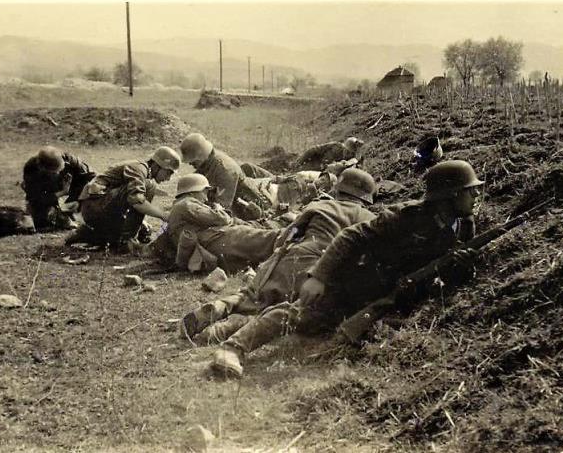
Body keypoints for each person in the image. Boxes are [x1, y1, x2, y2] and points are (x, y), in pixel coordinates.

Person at [210, 160, 485, 377]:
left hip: (393, 295)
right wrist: (319, 277)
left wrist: (460, 268)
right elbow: (351, 236)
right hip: (356, 280)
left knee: (330, 332)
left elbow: (444, 271)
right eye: (470, 190)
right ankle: (232, 348)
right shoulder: (407, 216)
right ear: (450, 195)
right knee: (300, 314)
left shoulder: (464, 226)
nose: (476, 195)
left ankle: (235, 325)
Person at [179, 168, 378, 343]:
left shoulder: (320, 206)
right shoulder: (370, 219)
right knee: (285, 312)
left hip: (295, 259)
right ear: (365, 197)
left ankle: (222, 305)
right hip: (324, 273)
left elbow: (285, 237)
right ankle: (224, 330)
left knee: (255, 297)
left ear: (339, 189)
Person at [162, 173, 282, 274]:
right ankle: (286, 238)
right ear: (194, 192)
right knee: (255, 236)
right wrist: (219, 209)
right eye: (204, 192)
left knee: (255, 238)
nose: (205, 198)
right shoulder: (186, 204)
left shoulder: (180, 206)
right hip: (211, 246)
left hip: (208, 250)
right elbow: (222, 219)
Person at [66, 146, 180, 250]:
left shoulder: (143, 170)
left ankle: (90, 234)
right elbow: (137, 201)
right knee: (149, 186)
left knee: (145, 231)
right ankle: (126, 241)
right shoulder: (139, 168)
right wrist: (163, 215)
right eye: (168, 172)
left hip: (99, 207)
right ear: (158, 165)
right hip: (94, 208)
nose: (168, 178)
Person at [180, 133, 273, 220]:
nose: (190, 164)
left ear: (201, 156)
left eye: (193, 161)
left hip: (245, 210)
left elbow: (222, 210)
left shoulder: (225, 170)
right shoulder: (207, 162)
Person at [22, 146, 95, 231]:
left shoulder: (69, 159)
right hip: (48, 197)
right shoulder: (31, 169)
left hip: (72, 194)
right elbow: (36, 198)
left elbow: (92, 177)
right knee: (41, 220)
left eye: (60, 170)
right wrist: (62, 192)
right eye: (54, 173)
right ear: (42, 168)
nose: (58, 173)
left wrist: (81, 199)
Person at [293, 137, 364, 171]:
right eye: (348, 152)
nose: (349, 154)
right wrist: (299, 162)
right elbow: (313, 150)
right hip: (315, 164)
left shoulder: (353, 158)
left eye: (351, 153)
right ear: (344, 148)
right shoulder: (335, 148)